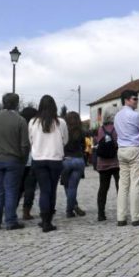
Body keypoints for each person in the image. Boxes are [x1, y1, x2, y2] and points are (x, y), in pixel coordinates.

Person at [0, 93, 29, 230]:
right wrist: (23, 158)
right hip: (14, 159)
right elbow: (24, 144)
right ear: (16, 104)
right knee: (11, 191)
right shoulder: (20, 120)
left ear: (3, 103)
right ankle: (10, 221)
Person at [28, 95, 68, 233]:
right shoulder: (60, 122)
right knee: (52, 189)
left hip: (38, 159)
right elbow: (65, 140)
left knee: (44, 190)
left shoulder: (33, 122)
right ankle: (48, 220)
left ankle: (44, 219)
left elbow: (30, 140)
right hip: (55, 159)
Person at [114, 90, 139, 226]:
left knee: (123, 185)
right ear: (127, 100)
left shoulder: (117, 116)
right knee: (136, 183)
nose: (137, 101)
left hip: (122, 149)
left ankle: (121, 217)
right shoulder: (136, 115)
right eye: (134, 99)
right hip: (135, 149)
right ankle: (136, 217)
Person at [95, 112, 120, 221]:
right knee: (120, 188)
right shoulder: (116, 129)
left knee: (103, 189)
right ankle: (121, 212)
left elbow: (98, 142)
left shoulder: (100, 129)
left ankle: (101, 214)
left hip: (103, 163)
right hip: (116, 162)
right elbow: (117, 143)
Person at [62, 111, 87, 218]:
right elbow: (84, 146)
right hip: (78, 160)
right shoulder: (81, 132)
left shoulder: (63, 131)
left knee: (67, 186)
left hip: (66, 160)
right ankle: (71, 209)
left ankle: (71, 209)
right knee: (73, 187)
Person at [19, 107, 38, 220]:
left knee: (18, 187)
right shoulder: (35, 127)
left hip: (19, 161)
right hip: (32, 160)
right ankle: (26, 211)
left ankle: (11, 209)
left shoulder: (18, 126)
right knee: (30, 188)